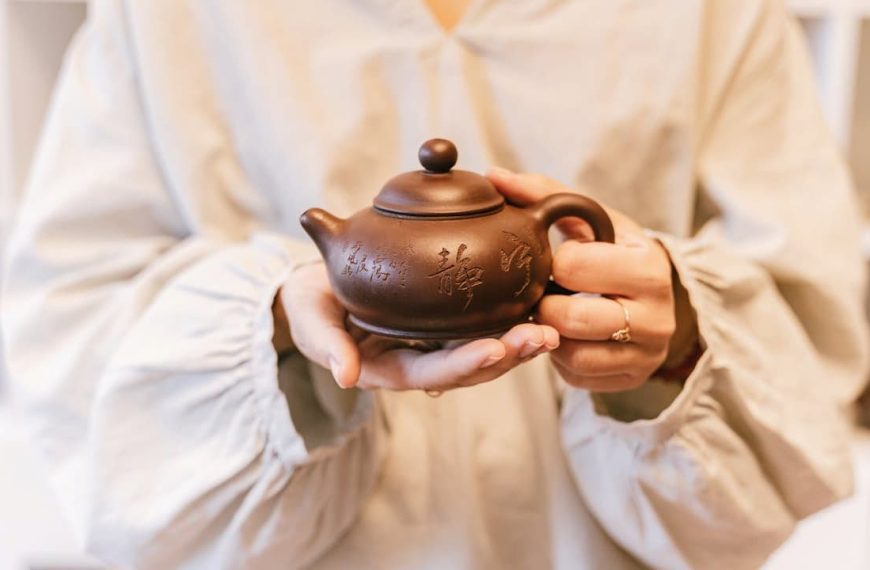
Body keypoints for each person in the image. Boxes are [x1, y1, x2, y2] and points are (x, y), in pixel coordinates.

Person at [2, 0, 868, 568]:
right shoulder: (166, 19)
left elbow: (816, 317)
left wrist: (671, 338)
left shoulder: (716, 14)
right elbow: (67, 320)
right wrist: (276, 330)